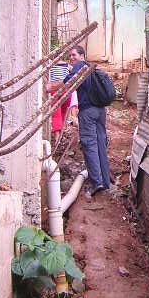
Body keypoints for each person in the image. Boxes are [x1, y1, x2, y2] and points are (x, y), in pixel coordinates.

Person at [46, 45, 110, 195]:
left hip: (88, 112)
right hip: (100, 111)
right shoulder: (92, 69)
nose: (71, 58)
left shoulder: (80, 66)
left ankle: (97, 183)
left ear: (82, 56)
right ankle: (106, 182)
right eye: (70, 56)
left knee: (89, 145)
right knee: (100, 143)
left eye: (74, 55)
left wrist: (51, 86)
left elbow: (69, 81)